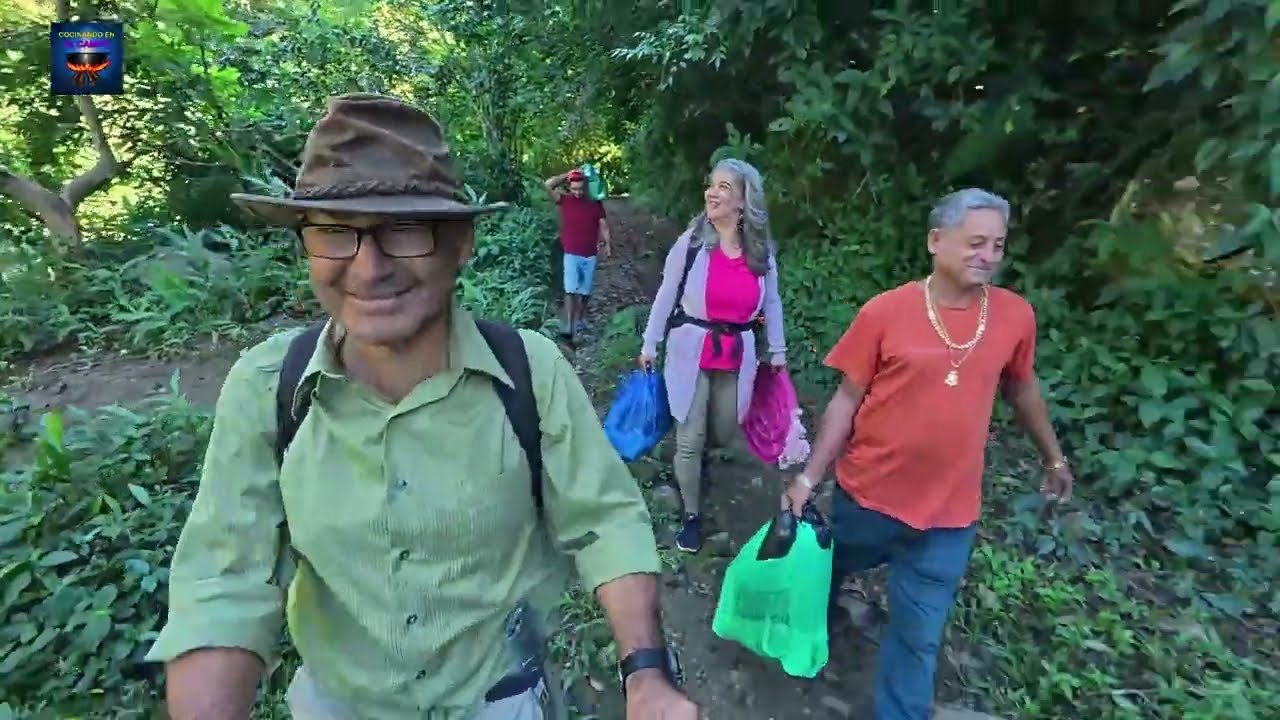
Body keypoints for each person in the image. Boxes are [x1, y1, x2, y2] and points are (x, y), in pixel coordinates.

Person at [146, 93, 697, 720]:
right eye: (334, 233)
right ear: (306, 247)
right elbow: (226, 579)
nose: (369, 267)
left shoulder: (529, 373)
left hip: (499, 701)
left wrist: (646, 674)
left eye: (404, 230)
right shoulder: (269, 388)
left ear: (460, 244)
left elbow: (606, 519)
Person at [781, 188, 1074, 720]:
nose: (987, 255)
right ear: (937, 241)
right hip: (869, 495)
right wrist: (808, 479)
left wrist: (1053, 458)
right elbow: (846, 400)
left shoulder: (1014, 317)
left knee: (917, 639)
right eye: (976, 242)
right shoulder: (885, 312)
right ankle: (811, 626)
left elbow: (1023, 389)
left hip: (949, 512)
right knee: (828, 568)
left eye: (998, 245)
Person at [638, 158, 787, 554]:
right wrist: (649, 342)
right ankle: (691, 516)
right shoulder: (690, 245)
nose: (712, 193)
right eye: (712, 185)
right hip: (691, 346)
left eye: (724, 187)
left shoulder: (759, 254)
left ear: (743, 201)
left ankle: (699, 460)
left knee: (725, 428)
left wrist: (778, 350)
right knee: (689, 438)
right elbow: (666, 294)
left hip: (739, 351)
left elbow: (772, 303)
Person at [545, 167, 611, 341]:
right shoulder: (564, 200)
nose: (578, 192)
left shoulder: (595, 203)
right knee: (570, 290)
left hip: (589, 254)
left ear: (586, 187)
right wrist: (566, 175)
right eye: (574, 189)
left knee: (585, 292)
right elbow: (548, 185)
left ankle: (580, 318)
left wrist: (607, 244)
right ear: (569, 188)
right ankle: (569, 324)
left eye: (581, 189)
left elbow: (603, 224)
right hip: (571, 252)